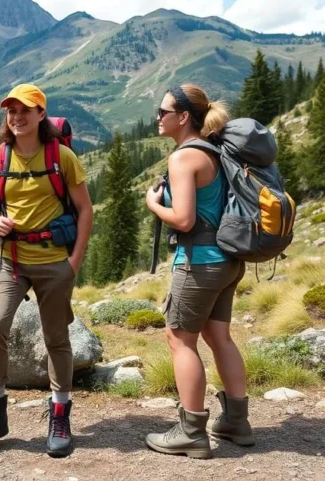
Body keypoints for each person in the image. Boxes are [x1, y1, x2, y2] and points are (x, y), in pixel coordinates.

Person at [0, 83, 93, 457]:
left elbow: (85, 208)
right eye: (11, 111)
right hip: (9, 258)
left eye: (25, 111)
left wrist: (74, 261)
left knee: (56, 338)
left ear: (40, 115)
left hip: (54, 261)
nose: (17, 117)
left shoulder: (62, 158)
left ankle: (60, 413)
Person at [143, 84, 253, 459]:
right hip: (227, 261)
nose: (158, 117)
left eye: (163, 111)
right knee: (219, 337)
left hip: (199, 263)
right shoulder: (216, 151)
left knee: (179, 340)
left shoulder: (184, 158)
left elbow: (184, 219)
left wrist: (153, 204)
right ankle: (237, 421)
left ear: (184, 116)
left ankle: (191, 431)